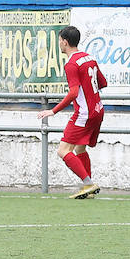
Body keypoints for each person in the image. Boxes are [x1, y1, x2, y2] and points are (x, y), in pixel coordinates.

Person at [36, 25, 106, 200]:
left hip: (84, 113)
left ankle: (88, 183)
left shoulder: (71, 64)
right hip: (98, 109)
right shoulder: (88, 57)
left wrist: (53, 111)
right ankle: (87, 187)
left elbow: (74, 92)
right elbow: (102, 82)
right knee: (80, 148)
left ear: (65, 42)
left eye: (60, 41)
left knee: (63, 150)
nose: (59, 44)